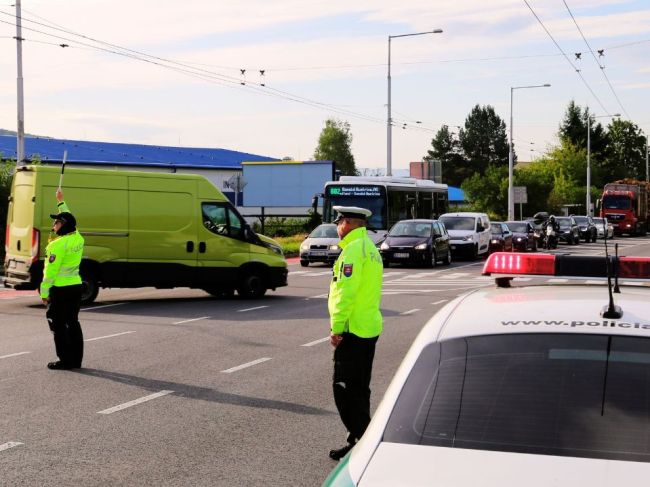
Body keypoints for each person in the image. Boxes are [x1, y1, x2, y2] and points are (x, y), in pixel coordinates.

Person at [327, 205, 383, 460]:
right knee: (359, 389)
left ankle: (368, 443)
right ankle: (358, 439)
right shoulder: (371, 249)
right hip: (368, 327)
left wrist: (337, 328)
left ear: (348, 223)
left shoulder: (352, 252)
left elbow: (345, 293)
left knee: (344, 390)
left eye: (339, 222)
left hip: (353, 330)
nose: (337, 227)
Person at [41, 189, 85, 370]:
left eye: (57, 221)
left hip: (60, 290)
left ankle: (65, 360)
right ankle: (76, 360)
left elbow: (50, 273)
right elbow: (70, 217)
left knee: (58, 325)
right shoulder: (78, 237)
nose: (54, 223)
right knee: (73, 322)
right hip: (75, 286)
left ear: (64, 225)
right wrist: (61, 202)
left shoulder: (56, 245)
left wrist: (44, 293)